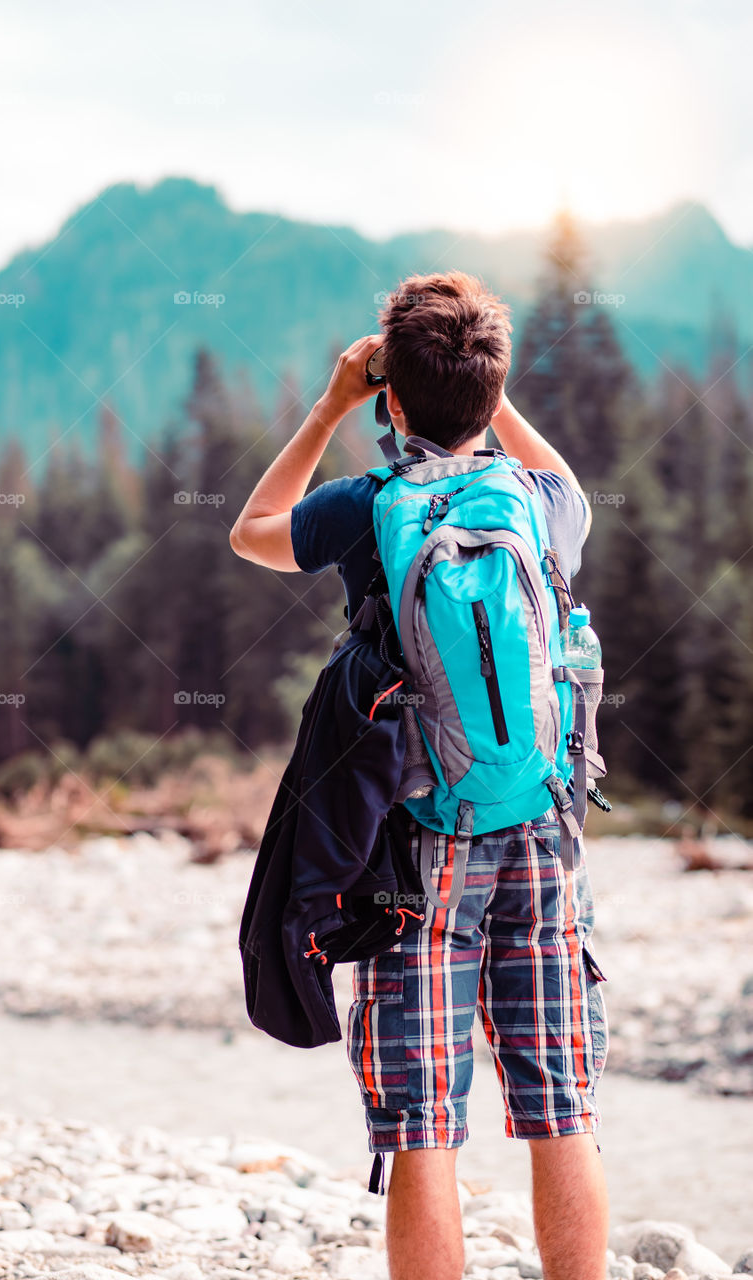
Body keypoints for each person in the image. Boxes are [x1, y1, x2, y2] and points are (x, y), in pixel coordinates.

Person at [229, 271, 609, 1280]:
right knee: (560, 1102)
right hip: (541, 825)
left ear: (389, 397)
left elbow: (253, 531)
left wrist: (332, 401)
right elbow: (562, 476)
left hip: (418, 835)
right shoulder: (539, 501)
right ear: (491, 392)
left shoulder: (368, 506)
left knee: (421, 1119)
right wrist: (485, 396)